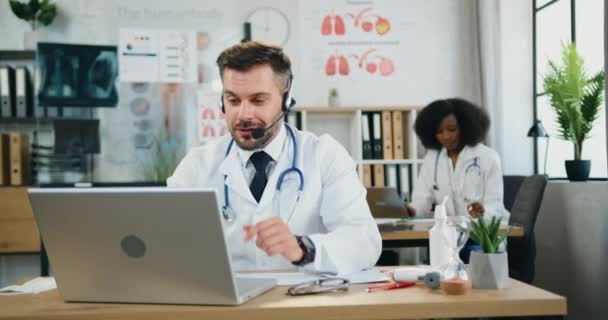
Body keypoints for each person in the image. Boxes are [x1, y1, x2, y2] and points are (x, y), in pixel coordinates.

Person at [167, 41, 382, 274]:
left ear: (286, 98)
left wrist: (303, 248)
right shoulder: (197, 165)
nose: (244, 115)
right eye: (233, 100)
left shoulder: (324, 155)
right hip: (227, 305)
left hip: (305, 301)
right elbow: (164, 239)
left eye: (258, 100)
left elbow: (364, 242)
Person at [406, 98, 509, 222]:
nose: (446, 136)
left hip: (485, 233)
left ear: (465, 127)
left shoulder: (488, 157)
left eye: (452, 129)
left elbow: (496, 207)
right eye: (439, 131)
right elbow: (421, 201)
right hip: (451, 232)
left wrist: (483, 211)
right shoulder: (432, 159)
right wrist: (410, 210)